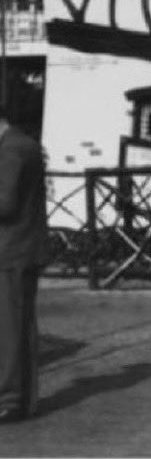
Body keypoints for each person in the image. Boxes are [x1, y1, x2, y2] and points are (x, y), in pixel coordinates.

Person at [0, 116, 47, 423]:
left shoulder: (11, 150)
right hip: (24, 248)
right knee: (21, 325)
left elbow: (5, 203)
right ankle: (22, 400)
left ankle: (9, 399)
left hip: (10, 250)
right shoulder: (24, 144)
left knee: (9, 327)